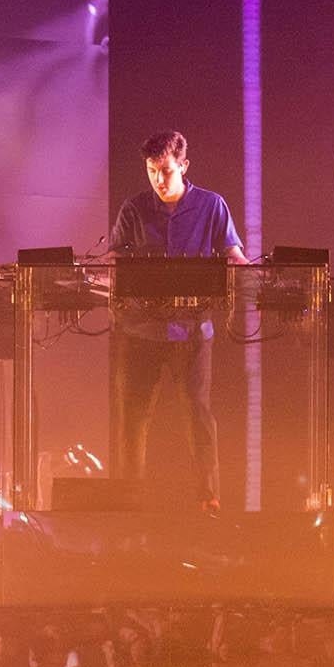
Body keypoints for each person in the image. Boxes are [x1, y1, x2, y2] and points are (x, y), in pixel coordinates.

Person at [109, 130, 247, 512]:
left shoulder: (212, 205)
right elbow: (115, 259)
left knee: (198, 413)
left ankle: (208, 497)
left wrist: (261, 277)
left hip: (192, 329)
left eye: (166, 171)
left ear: (184, 166)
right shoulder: (134, 208)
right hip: (142, 330)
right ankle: (128, 500)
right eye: (151, 171)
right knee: (133, 416)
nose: (158, 179)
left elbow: (234, 254)